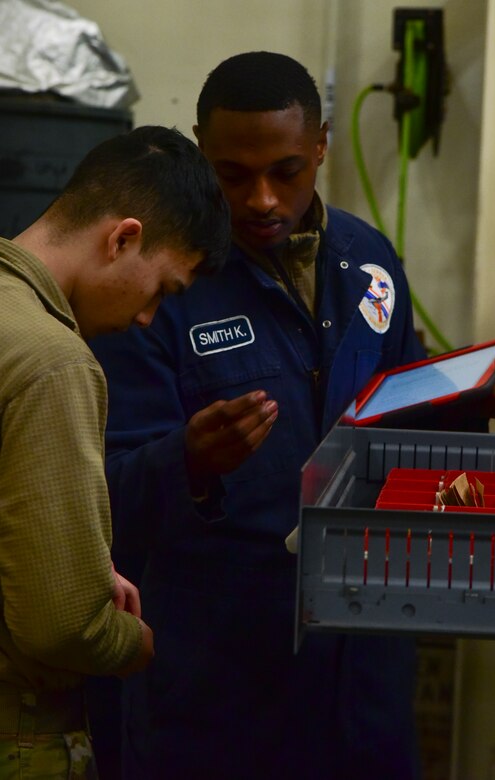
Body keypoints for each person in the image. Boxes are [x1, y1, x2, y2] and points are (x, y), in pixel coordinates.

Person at [90, 53, 495, 780]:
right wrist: (190, 461)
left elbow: (398, 428)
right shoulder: (158, 277)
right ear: (200, 149)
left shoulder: (367, 260)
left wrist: (475, 402)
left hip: (362, 662)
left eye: (288, 171)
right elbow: (101, 495)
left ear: (323, 145)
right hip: (217, 681)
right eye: (231, 176)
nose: (262, 199)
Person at [0, 124, 231, 779]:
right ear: (123, 237)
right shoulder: (53, 361)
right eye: (161, 289)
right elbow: (59, 626)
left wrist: (70, 558)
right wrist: (133, 643)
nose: (147, 319)